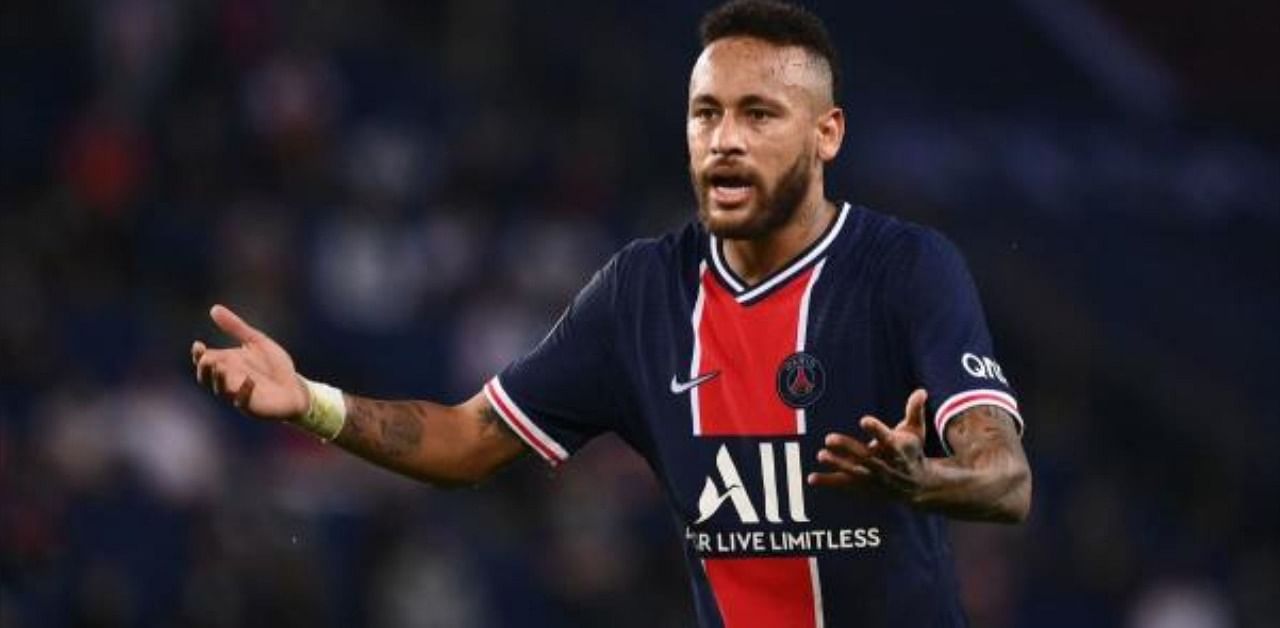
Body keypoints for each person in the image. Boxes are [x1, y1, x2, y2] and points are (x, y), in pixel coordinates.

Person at [191, 1, 1031, 625]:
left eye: (759, 114)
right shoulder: (642, 294)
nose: (725, 139)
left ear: (827, 134)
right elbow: (465, 440)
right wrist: (310, 401)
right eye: (707, 114)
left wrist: (929, 480)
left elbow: (1007, 476)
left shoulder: (905, 269)